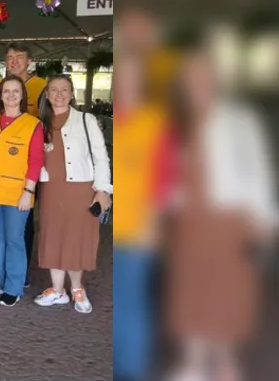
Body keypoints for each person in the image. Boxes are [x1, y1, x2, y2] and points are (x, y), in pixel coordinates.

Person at [164, 49, 277, 381]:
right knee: (189, 292)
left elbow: (259, 169)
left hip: (229, 221)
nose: (196, 84)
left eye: (202, 76)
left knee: (227, 295)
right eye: (189, 78)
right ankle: (194, 363)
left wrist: (266, 219)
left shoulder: (240, 120)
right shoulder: (179, 121)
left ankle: (227, 365)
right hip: (190, 222)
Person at [112, 54, 171, 381]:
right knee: (122, 297)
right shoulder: (115, 120)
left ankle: (132, 367)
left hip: (140, 227)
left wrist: (154, 223)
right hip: (117, 224)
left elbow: (165, 179)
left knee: (133, 300)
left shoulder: (154, 122)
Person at [33, 75, 112, 314]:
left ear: (71, 94)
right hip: (51, 189)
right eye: (54, 90)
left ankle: (77, 288)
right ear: (46, 94)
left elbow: (101, 157)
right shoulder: (39, 123)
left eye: (64, 89)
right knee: (54, 237)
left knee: (77, 239)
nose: (59, 94)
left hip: (81, 188)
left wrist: (103, 190)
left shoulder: (86, 120)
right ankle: (58, 290)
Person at [0, 75, 44, 306]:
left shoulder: (32, 124)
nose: (11, 95)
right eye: (6, 91)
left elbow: (36, 162)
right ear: (0, 95)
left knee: (14, 240)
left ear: (23, 96)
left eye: (16, 91)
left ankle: (13, 287)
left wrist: (29, 191)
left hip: (18, 194)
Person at [0, 44, 47, 288]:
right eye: (10, 57)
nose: (14, 61)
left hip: (27, 174)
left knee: (19, 232)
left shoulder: (42, 86)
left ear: (29, 60)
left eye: (19, 57)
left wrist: (29, 189)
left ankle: (17, 277)